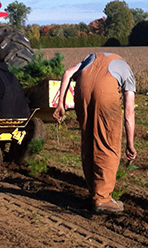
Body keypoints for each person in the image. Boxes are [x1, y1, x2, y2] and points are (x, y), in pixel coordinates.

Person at [53, 52, 137, 213]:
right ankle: (103, 198)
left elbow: (67, 73)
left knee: (88, 141)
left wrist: (60, 104)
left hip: (82, 89)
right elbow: (129, 113)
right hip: (105, 93)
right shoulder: (125, 70)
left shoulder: (90, 58)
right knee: (107, 144)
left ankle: (93, 193)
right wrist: (130, 144)